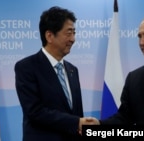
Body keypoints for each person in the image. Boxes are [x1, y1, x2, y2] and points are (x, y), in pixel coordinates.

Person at [14, 6, 97, 141]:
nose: (73, 39)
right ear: (49, 36)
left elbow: (77, 113)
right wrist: (76, 122)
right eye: (68, 33)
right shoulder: (26, 67)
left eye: (74, 33)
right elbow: (35, 112)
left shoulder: (72, 70)